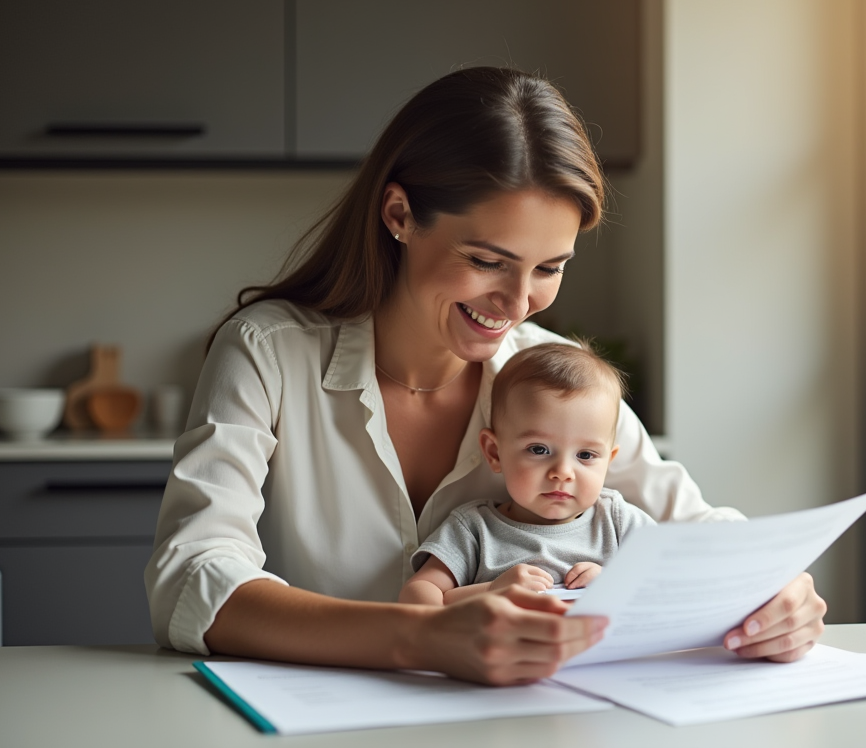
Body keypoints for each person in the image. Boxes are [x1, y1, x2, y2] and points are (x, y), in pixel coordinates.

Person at [144, 67, 826, 687]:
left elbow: (702, 532)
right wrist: (420, 637)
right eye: (487, 259)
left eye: (550, 268)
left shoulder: (556, 381)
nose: (518, 301)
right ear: (399, 215)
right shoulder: (267, 351)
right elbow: (192, 577)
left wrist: (774, 590)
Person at [399, 342, 655, 606]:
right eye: (539, 449)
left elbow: (674, 587)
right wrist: (490, 591)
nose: (562, 473)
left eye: (586, 455)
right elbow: (417, 596)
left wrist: (618, 582)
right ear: (494, 453)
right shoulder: (474, 530)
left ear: (608, 461)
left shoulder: (618, 522)